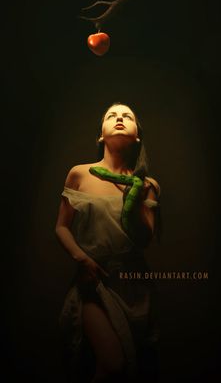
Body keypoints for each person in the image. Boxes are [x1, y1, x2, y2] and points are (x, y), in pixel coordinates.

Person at [55, 102, 161, 383]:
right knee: (112, 363)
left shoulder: (147, 183)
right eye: (111, 115)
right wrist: (82, 258)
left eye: (127, 116)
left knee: (129, 368)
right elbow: (61, 227)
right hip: (94, 280)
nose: (119, 119)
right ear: (100, 135)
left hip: (133, 284)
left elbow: (145, 239)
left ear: (137, 135)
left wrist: (134, 200)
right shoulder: (80, 173)